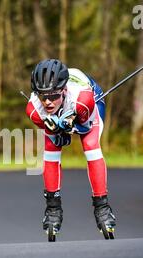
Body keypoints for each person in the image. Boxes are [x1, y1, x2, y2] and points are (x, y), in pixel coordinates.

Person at [25, 58, 116, 236]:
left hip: (90, 104)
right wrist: (58, 131)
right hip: (68, 110)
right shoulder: (34, 110)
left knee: (90, 145)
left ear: (64, 90)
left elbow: (85, 128)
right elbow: (56, 135)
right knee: (51, 147)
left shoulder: (83, 99)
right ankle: (53, 210)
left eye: (54, 96)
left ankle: (102, 208)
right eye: (43, 96)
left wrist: (72, 126)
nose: (48, 102)